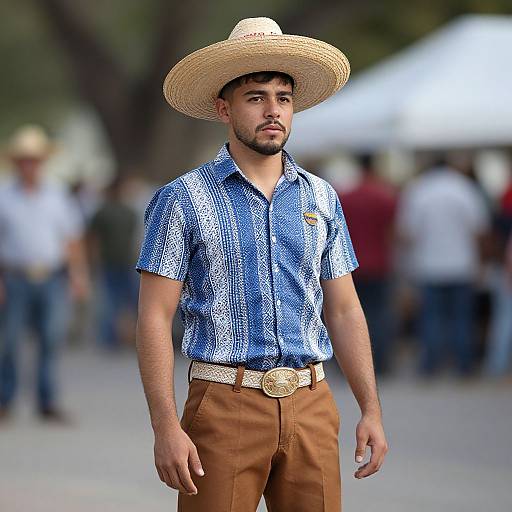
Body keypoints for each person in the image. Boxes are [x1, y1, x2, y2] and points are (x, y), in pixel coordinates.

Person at [135, 17, 388, 511]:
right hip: (223, 404)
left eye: (283, 98)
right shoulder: (183, 199)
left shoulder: (321, 196)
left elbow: (344, 310)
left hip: (313, 403)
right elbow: (154, 316)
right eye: (256, 97)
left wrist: (371, 409)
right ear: (223, 108)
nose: (273, 111)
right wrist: (166, 426)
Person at [0, 125, 89, 423]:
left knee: (51, 339)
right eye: (24, 159)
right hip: (14, 275)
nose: (30, 165)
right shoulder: (4, 196)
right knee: (9, 341)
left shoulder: (57, 195)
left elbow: (72, 239)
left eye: (34, 159)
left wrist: (78, 275)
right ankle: (5, 399)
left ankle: (47, 400)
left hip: (52, 276)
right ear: (16, 162)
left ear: (42, 162)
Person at [397, 157, 490, 378]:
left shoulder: (418, 190)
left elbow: (407, 233)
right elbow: (479, 230)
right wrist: (480, 262)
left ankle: (430, 366)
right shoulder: (464, 188)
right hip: (462, 264)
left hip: (429, 265)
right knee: (462, 318)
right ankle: (464, 366)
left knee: (431, 318)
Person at [338, 154, 398, 375]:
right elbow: (393, 232)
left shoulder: (345, 196)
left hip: (348, 266)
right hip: (379, 264)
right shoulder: (385, 196)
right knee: (380, 315)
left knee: (344, 313)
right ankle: (380, 363)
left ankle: (348, 365)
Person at [88, 176, 139, 351]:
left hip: (114, 262)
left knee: (112, 301)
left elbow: (93, 239)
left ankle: (112, 338)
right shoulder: (126, 212)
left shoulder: (105, 211)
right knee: (124, 302)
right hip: (121, 262)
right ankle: (119, 337)